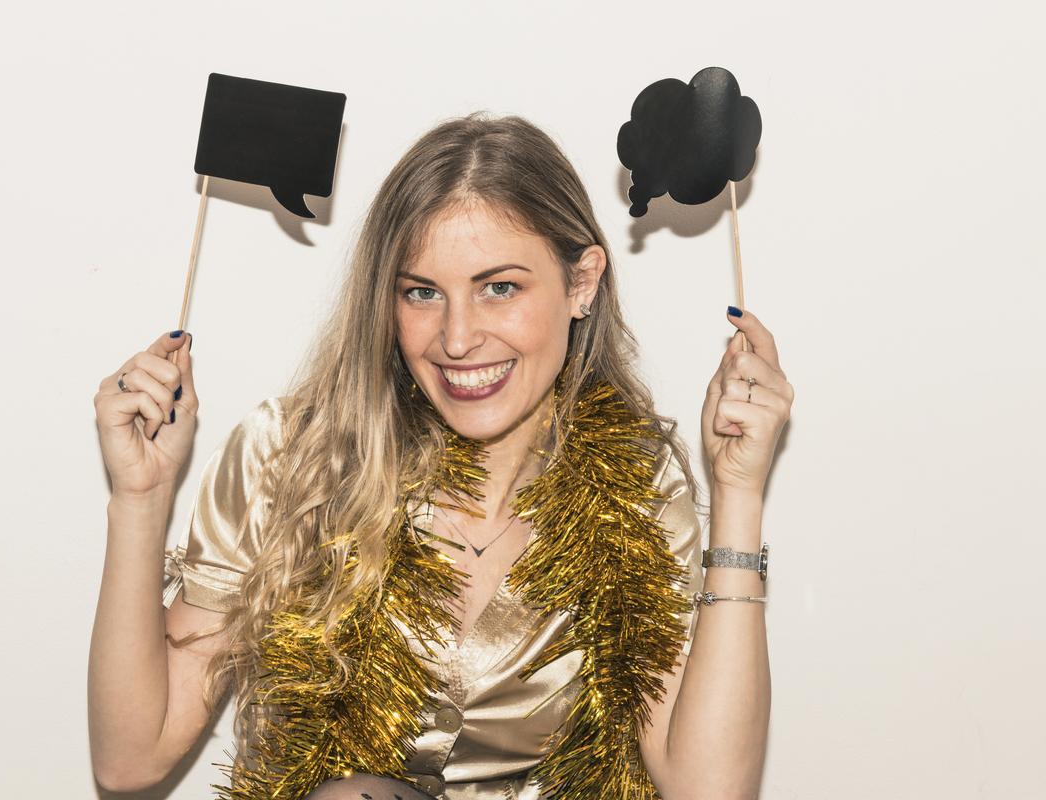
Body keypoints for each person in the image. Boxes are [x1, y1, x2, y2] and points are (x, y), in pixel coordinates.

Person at [89, 112, 792, 799]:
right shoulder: (288, 460)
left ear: (581, 284)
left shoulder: (635, 484)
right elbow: (132, 759)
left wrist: (738, 495)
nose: (457, 339)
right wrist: (140, 500)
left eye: (499, 288)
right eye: (422, 293)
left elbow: (709, 789)